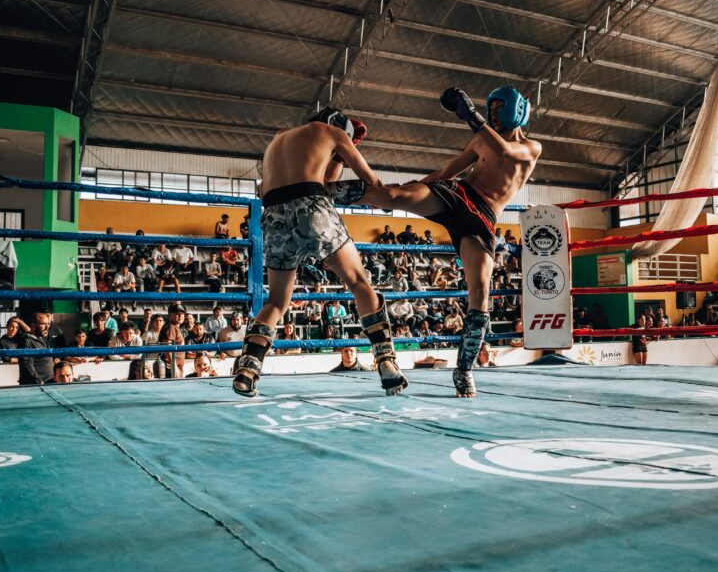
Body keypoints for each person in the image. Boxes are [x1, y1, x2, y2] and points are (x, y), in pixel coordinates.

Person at [328, 86, 541, 397]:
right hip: (457, 195)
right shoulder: (482, 137)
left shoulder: (531, 147)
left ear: (515, 110)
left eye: (498, 108)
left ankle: (465, 370)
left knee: (480, 297)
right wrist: (406, 193)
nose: (493, 113)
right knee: (393, 193)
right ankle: (320, 191)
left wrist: (472, 117)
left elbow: (506, 153)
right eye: (490, 108)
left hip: (482, 219)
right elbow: (447, 170)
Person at [231, 107, 407, 397]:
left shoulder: (279, 138)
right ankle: (386, 361)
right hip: (312, 207)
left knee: (276, 300)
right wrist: (346, 153)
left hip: (273, 214)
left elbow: (265, 189)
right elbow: (371, 183)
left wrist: (334, 158)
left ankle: (248, 369)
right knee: (360, 284)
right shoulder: (334, 133)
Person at [18, 312, 55, 385]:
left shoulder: (41, 339)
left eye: (48, 324)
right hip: (36, 386)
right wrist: (39, 381)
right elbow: (27, 365)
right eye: (43, 324)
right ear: (33, 324)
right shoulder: (27, 341)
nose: (47, 327)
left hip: (47, 383)